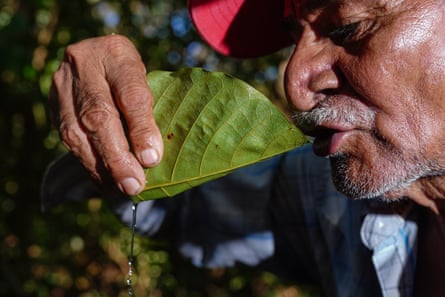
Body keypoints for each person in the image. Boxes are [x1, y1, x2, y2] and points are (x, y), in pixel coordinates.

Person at [43, 0, 445, 296]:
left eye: (347, 28)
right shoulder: (335, 198)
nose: (295, 86)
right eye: (293, 38)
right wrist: (104, 123)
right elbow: (178, 200)